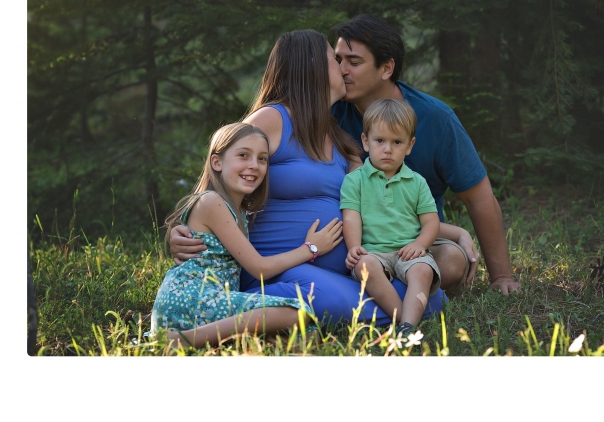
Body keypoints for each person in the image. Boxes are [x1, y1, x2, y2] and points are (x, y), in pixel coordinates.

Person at [168, 29, 475, 325]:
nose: (343, 68)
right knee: (392, 306)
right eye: (334, 59)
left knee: (432, 300)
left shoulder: (340, 139)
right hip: (278, 266)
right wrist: (181, 231)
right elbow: (219, 181)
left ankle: (297, 305)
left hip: (339, 269)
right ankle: (267, 302)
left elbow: (380, 204)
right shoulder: (272, 119)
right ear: (313, 67)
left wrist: (448, 231)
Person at [331, 14, 522, 295]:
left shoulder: (436, 119)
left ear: (386, 68)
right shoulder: (330, 113)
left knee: (453, 263)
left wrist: (502, 276)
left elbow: (479, 197)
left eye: (354, 62)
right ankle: (397, 292)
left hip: (417, 243)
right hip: (357, 242)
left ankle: (378, 292)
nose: (341, 70)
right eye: (337, 60)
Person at [150, 122, 344, 348]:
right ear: (216, 162)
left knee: (306, 336)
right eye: (243, 155)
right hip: (190, 298)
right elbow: (259, 269)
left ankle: (234, 341)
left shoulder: (239, 211)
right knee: (297, 313)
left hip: (211, 300)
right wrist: (311, 248)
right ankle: (181, 342)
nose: (254, 165)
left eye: (262, 159)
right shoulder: (212, 201)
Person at [342, 99, 441, 336]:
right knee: (365, 266)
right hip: (373, 252)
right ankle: (402, 321)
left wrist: (420, 244)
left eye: (397, 142)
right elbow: (352, 217)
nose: (388, 149)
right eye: (380, 141)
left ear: (409, 145)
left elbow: (431, 222)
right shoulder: (355, 180)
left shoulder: (417, 182)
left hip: (408, 250)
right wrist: (354, 246)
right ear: (365, 141)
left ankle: (408, 325)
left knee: (423, 271)